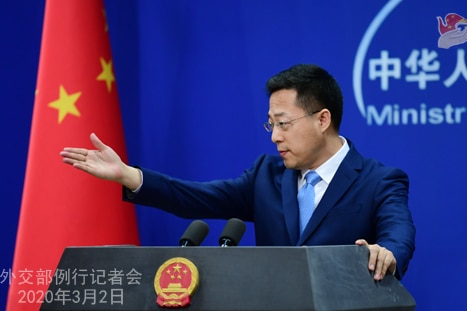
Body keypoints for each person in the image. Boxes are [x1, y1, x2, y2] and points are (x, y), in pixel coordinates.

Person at [60, 64, 415, 281]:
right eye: (271, 124)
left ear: (323, 119)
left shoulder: (378, 181)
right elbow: (198, 197)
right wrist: (129, 176)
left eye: (284, 123)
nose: (275, 136)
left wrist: (387, 252)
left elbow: (398, 234)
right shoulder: (267, 174)